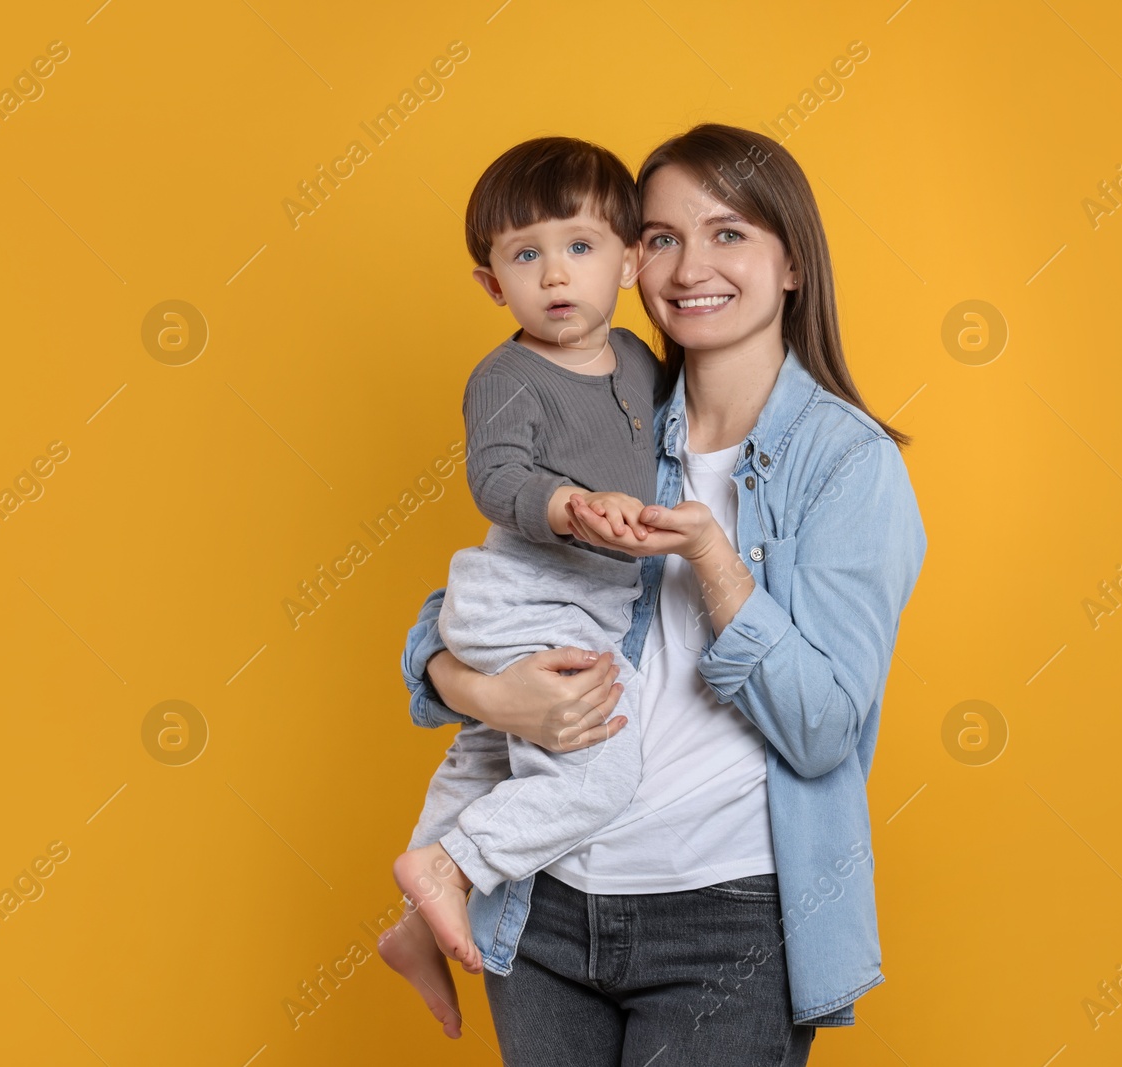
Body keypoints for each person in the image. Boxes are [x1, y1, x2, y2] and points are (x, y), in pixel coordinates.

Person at [397, 123, 928, 1065]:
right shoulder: (613, 405)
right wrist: (485, 692)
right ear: (632, 260)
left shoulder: (850, 465)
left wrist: (719, 565)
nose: (691, 267)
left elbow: (821, 730)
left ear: (792, 261)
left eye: (729, 234)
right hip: (543, 902)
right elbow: (480, 614)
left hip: (724, 919)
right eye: (663, 238)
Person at [377, 136, 663, 1041]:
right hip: (526, 593)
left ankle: (418, 927)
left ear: (627, 260)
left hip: (578, 601)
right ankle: (454, 867)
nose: (555, 274)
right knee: (599, 770)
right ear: (492, 284)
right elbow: (495, 476)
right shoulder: (506, 376)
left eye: (580, 247)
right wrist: (570, 504)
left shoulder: (638, 358)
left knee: (486, 758)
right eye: (524, 255)